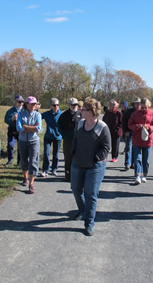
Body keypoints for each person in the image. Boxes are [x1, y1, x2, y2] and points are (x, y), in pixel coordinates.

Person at [71, 97, 111, 236]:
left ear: (91, 111)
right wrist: (74, 153)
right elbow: (76, 139)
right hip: (78, 163)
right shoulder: (81, 123)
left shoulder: (102, 127)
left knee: (91, 194)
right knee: (76, 190)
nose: (81, 110)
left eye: (84, 109)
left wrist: (95, 158)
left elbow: (106, 148)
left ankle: (89, 223)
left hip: (95, 166)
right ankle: (82, 210)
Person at [128, 98, 153, 185]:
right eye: (142, 107)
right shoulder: (135, 114)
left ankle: (144, 175)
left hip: (147, 140)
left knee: (145, 160)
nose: (143, 109)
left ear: (149, 106)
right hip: (137, 140)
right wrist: (136, 126)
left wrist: (149, 128)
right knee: (137, 159)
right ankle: (138, 175)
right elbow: (130, 124)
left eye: (145, 107)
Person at [17, 96, 42, 194]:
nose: (33, 105)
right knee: (24, 160)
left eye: (35, 104)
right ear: (26, 104)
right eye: (31, 104)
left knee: (33, 161)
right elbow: (19, 128)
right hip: (22, 141)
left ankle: (31, 184)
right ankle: (25, 178)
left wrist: (26, 127)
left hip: (34, 141)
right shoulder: (21, 114)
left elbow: (38, 128)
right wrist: (32, 128)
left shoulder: (37, 115)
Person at [57, 97, 81, 181]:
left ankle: (77, 176)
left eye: (76, 105)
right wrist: (64, 135)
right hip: (68, 140)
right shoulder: (64, 115)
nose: (74, 106)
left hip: (79, 140)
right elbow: (59, 127)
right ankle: (68, 176)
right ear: (69, 105)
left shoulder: (80, 114)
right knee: (68, 158)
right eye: (73, 105)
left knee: (78, 158)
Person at [40, 98, 62, 177]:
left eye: (57, 105)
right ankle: (45, 170)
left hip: (58, 137)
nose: (56, 106)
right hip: (48, 136)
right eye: (54, 105)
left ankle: (54, 169)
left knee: (55, 155)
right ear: (50, 106)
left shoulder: (61, 114)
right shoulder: (47, 114)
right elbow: (37, 117)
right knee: (46, 153)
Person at [4, 94, 24, 167]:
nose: (21, 103)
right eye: (19, 102)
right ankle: (10, 160)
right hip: (12, 130)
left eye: (22, 102)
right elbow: (6, 120)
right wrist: (12, 119)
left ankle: (19, 161)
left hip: (21, 131)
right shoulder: (11, 111)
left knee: (20, 146)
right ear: (15, 102)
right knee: (10, 145)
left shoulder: (24, 110)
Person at [121, 97, 140, 170]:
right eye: (136, 103)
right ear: (134, 104)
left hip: (138, 133)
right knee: (128, 148)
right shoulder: (129, 112)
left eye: (139, 103)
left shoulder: (141, 112)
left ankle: (133, 163)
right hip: (130, 132)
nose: (137, 104)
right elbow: (124, 122)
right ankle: (127, 163)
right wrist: (125, 131)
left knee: (135, 149)